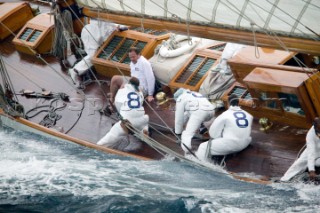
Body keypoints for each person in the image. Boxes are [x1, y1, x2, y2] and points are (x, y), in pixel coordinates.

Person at [196, 94, 253, 161]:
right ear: (238, 103)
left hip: (233, 145)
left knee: (203, 147)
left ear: (228, 103)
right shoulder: (249, 115)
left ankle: (203, 163)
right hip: (245, 143)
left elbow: (213, 134)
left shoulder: (225, 115)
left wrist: (220, 137)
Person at [97, 77, 149, 150]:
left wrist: (116, 111)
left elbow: (117, 105)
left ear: (128, 83)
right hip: (141, 119)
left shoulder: (122, 91)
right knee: (143, 121)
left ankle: (99, 146)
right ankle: (143, 130)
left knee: (113, 134)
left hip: (128, 120)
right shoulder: (140, 93)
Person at [174, 88, 215, 153]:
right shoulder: (195, 94)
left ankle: (187, 153)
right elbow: (185, 115)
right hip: (211, 111)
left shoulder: (180, 98)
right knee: (190, 112)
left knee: (186, 134)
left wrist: (178, 133)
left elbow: (179, 117)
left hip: (200, 113)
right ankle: (202, 127)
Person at [280, 117, 320, 182]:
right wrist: (311, 170)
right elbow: (311, 152)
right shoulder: (310, 134)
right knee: (300, 162)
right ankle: (284, 180)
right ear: (314, 127)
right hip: (315, 149)